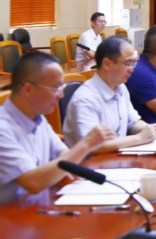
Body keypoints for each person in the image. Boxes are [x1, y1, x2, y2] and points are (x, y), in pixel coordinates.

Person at [0, 53, 115, 205]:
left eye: (62, 87)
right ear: (28, 89)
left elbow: (62, 153)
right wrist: (86, 144)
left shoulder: (37, 117)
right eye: (56, 88)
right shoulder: (3, 128)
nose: (61, 95)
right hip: (10, 213)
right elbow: (33, 182)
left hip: (38, 204)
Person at [63, 37, 156, 153]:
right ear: (107, 64)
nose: (132, 70)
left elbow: (132, 122)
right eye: (128, 64)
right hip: (90, 161)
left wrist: (149, 129)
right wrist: (139, 138)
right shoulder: (85, 99)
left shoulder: (121, 87)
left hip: (116, 157)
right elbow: (91, 145)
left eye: (133, 63)